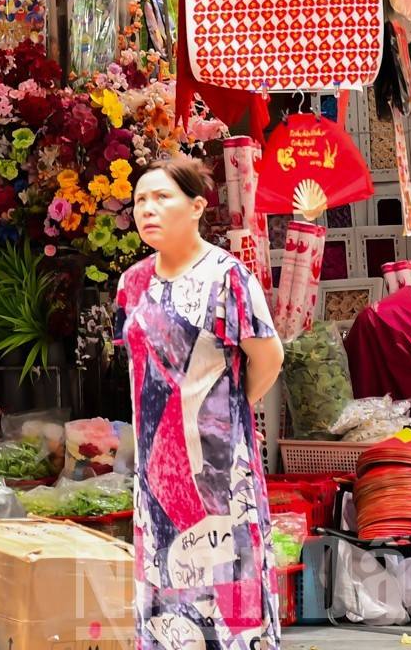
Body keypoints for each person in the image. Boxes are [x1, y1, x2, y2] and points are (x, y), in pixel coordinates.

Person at [116, 155, 283, 650]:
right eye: (140, 200)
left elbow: (268, 358)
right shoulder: (132, 284)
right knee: (167, 590)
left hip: (219, 474)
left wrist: (223, 417)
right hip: (156, 475)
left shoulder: (226, 276)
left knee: (229, 594)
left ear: (195, 207)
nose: (148, 209)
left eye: (162, 197)